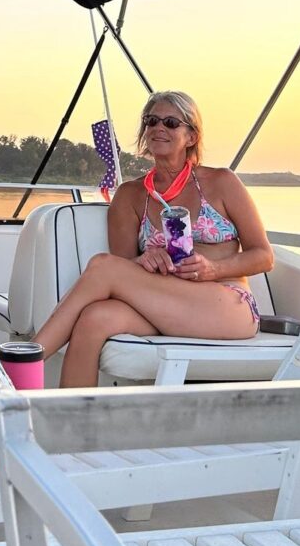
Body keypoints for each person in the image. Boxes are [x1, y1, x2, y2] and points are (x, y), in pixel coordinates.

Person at [32, 91, 273, 388]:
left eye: (171, 122)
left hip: (225, 303)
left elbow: (263, 256)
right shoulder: (131, 195)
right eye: (151, 121)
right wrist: (142, 260)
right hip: (162, 302)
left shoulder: (221, 182)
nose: (159, 128)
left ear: (191, 136)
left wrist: (213, 268)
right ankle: (74, 426)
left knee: (102, 266)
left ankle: (22, 362)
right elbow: (124, 269)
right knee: (95, 318)